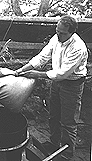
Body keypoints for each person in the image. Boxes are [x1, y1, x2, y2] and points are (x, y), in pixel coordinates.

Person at [15, 15, 88, 160]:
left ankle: (67, 153)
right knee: (53, 114)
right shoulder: (56, 38)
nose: (58, 34)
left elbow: (62, 74)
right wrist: (23, 69)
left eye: (62, 33)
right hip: (56, 82)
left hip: (72, 84)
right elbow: (42, 57)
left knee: (68, 121)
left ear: (72, 32)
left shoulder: (78, 48)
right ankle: (54, 143)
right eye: (57, 30)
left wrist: (36, 74)